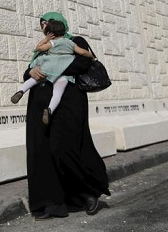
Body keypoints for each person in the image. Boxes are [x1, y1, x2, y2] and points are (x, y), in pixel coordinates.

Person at [23, 12, 110, 220]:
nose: (45, 27)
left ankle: (87, 193)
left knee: (65, 147)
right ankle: (50, 203)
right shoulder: (41, 46)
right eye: (43, 24)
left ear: (60, 24)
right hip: (39, 102)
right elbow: (28, 72)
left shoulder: (75, 41)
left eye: (49, 23)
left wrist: (50, 67)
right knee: (41, 151)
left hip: (68, 103)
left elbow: (84, 63)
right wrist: (31, 72)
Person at [11, 19, 94, 125]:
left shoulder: (53, 43)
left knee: (34, 80)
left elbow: (39, 48)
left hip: (49, 68)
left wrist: (46, 39)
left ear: (52, 33)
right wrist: (91, 56)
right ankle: (50, 109)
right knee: (57, 93)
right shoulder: (70, 43)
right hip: (63, 72)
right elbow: (82, 52)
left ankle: (21, 91)